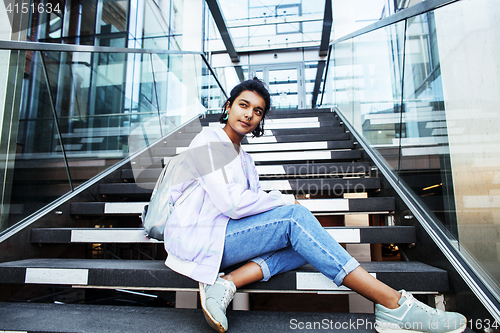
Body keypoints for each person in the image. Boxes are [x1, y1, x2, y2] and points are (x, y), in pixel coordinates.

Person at [162, 78, 467, 333]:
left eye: (258, 111)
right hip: (200, 237)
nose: (249, 115)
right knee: (297, 219)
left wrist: (279, 205)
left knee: (305, 242)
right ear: (228, 106)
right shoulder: (208, 140)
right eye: (243, 105)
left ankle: (226, 284)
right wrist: (284, 200)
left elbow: (252, 206)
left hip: (225, 236)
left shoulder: (244, 158)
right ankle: (393, 304)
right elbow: (233, 205)